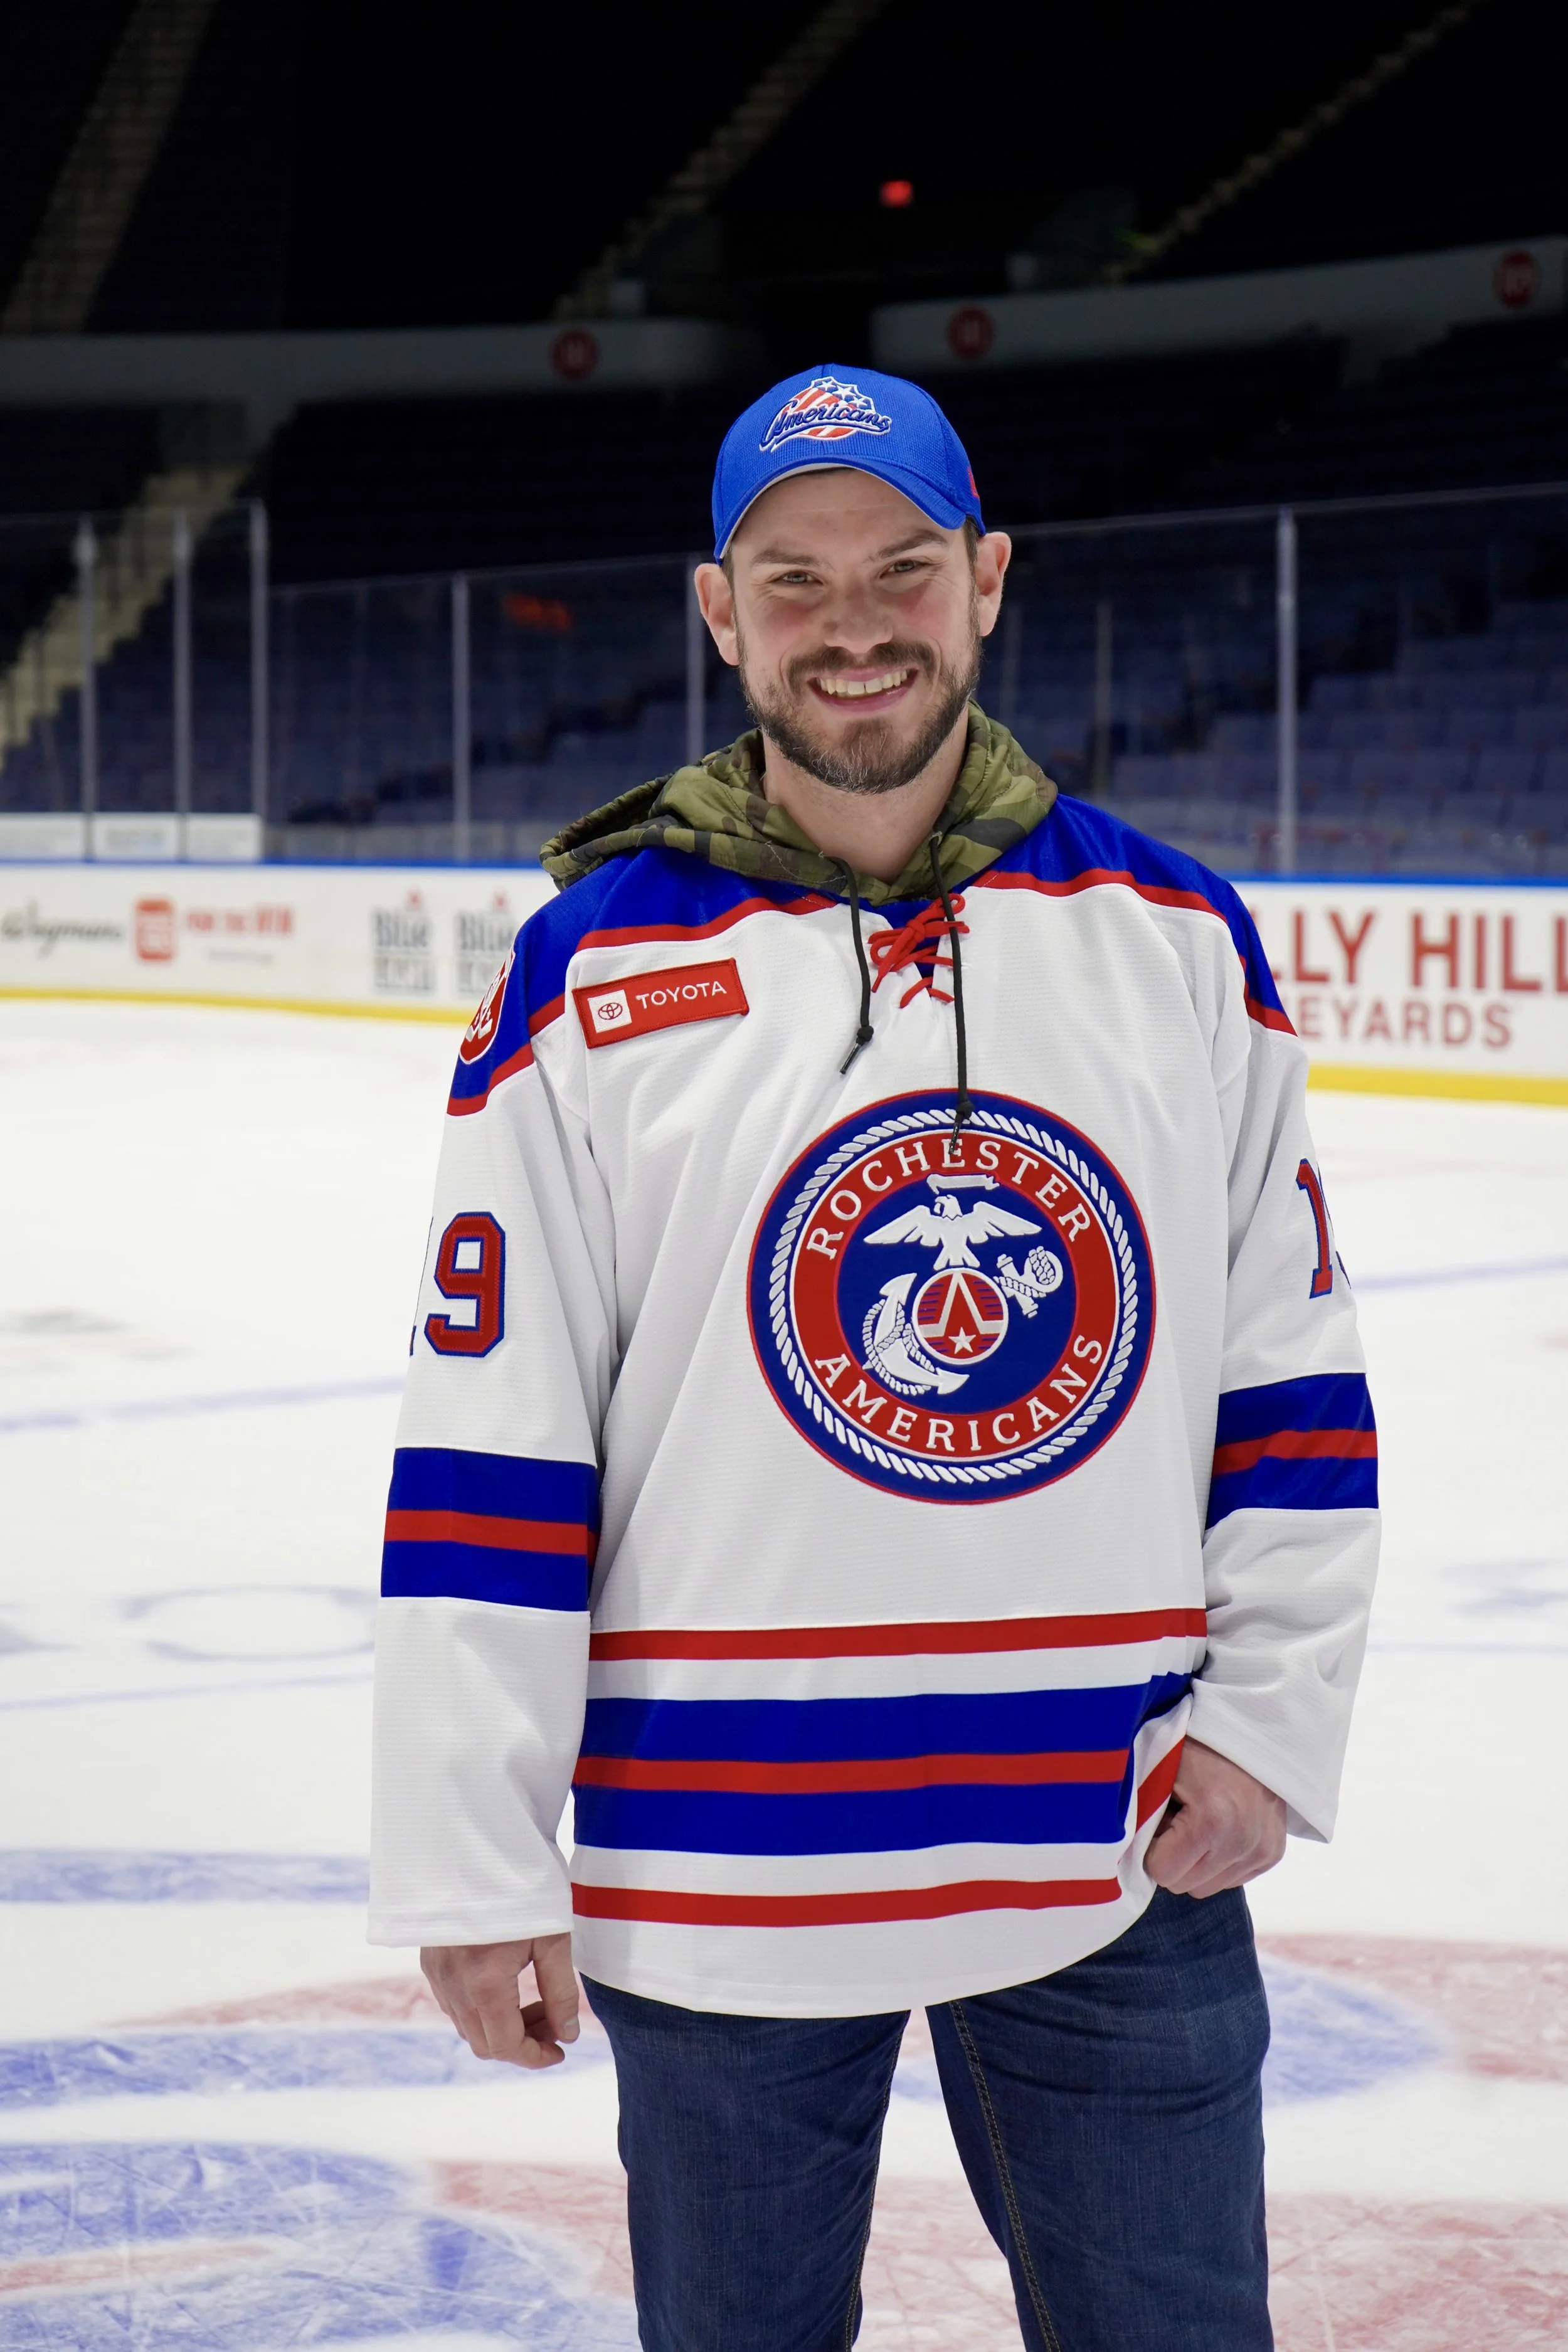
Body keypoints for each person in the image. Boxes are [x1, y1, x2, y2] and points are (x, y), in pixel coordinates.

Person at [370, 366, 1378, 2351]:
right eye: (795, 579)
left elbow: (1288, 1371)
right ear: (718, 611)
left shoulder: (1173, 938)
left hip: (1110, 1841)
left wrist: (1273, 1720)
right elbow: (493, 1442)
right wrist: (470, 1859)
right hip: (716, 1872)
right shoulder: (584, 971)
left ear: (985, 579)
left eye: (902, 568)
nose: (855, 624)